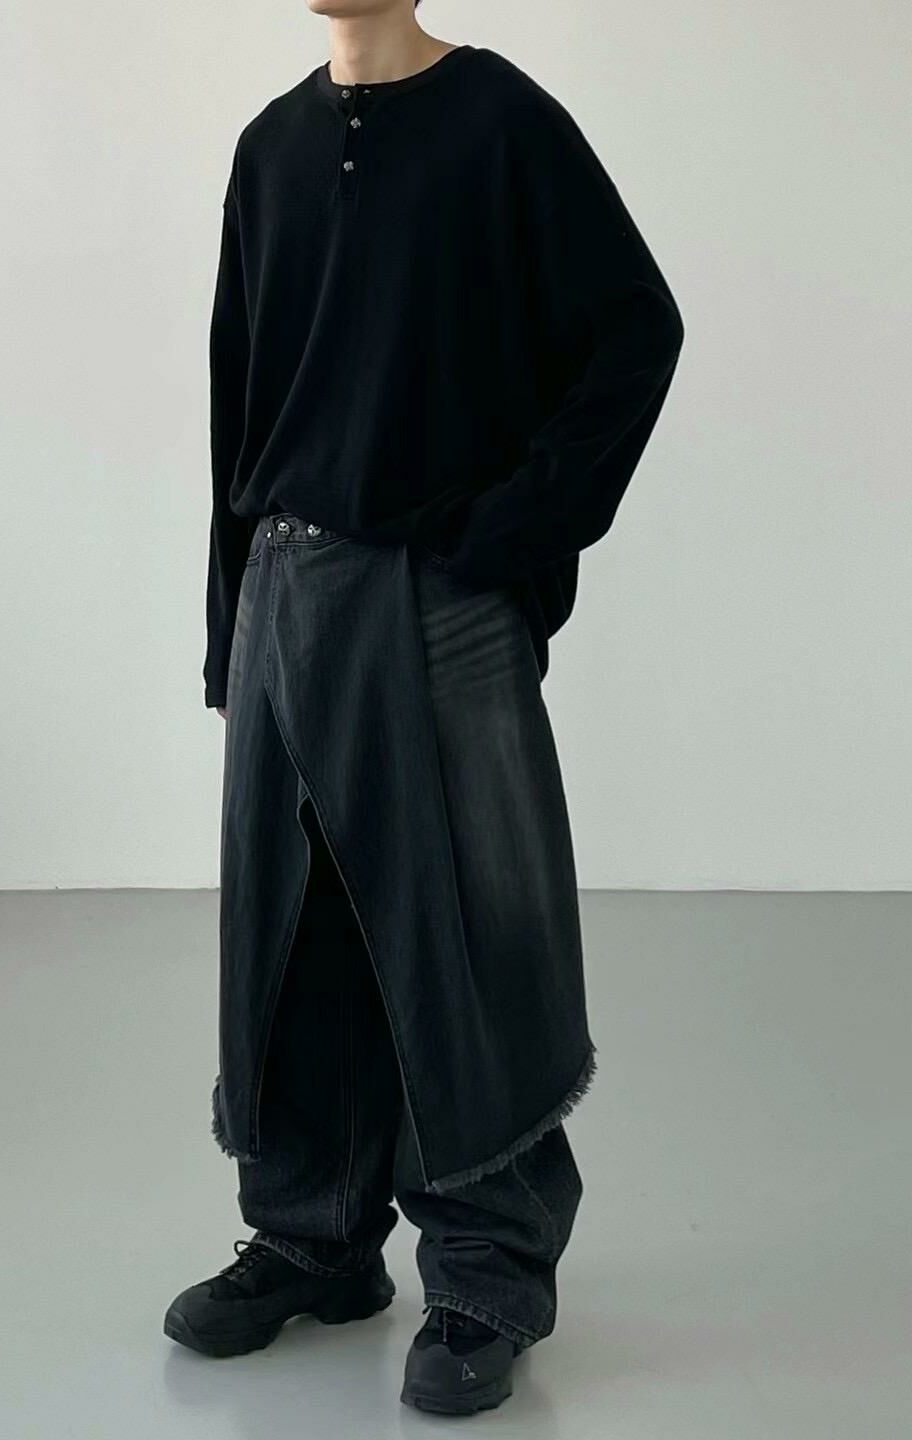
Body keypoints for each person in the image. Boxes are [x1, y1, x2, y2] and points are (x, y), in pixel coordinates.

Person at [164, 0, 684, 1417]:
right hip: (286, 582)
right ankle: (312, 1236)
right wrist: (229, 623)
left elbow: (635, 331)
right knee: (292, 933)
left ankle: (488, 1272)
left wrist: (509, 534)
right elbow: (237, 399)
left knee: (470, 937)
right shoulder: (270, 148)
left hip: (438, 593)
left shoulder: (502, 123)